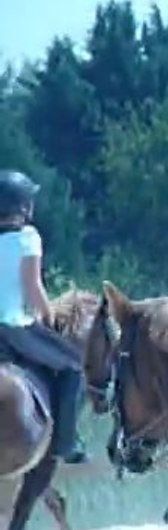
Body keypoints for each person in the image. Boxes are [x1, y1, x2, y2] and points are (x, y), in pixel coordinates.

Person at [0, 170, 87, 464]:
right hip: (14, 326)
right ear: (23, 206)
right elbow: (32, 285)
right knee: (74, 366)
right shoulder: (28, 238)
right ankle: (66, 441)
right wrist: (49, 316)